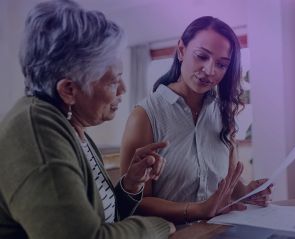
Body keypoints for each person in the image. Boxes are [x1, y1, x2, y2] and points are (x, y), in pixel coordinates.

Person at [0, 1, 174, 238]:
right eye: (113, 81)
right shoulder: (36, 133)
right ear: (69, 90)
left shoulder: (73, 129)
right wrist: (160, 225)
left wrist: (131, 184)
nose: (123, 89)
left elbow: (104, 221)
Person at [120, 16, 272, 224]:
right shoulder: (145, 116)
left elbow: (230, 184)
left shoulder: (223, 113)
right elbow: (135, 202)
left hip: (220, 231)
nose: (210, 71)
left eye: (221, 64)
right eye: (201, 56)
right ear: (181, 50)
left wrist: (247, 192)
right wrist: (198, 210)